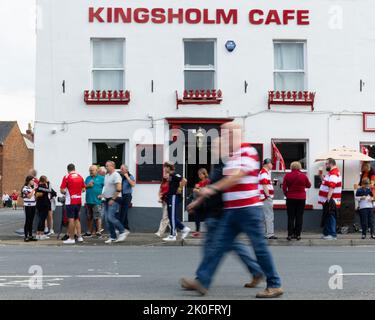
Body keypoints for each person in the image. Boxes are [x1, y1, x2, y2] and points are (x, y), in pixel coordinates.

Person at [181, 122, 283, 298]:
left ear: (238, 134)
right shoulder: (234, 155)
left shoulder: (248, 151)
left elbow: (237, 176)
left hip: (249, 209)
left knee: (259, 248)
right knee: (218, 246)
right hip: (232, 211)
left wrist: (212, 189)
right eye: (224, 134)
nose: (225, 137)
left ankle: (274, 285)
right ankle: (202, 282)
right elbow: (228, 177)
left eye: (228, 134)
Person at [184, 137, 265, 290]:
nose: (213, 149)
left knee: (213, 247)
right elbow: (213, 186)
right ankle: (256, 271)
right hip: (215, 212)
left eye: (216, 147)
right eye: (213, 147)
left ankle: (201, 280)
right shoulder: (219, 165)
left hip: (221, 213)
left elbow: (222, 186)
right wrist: (198, 202)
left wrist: (202, 197)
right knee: (231, 245)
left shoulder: (228, 164)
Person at [99, 161, 128, 244]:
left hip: (114, 200)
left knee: (111, 217)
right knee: (107, 219)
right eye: (105, 166)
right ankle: (113, 237)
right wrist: (102, 195)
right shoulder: (107, 176)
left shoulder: (116, 175)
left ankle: (122, 231)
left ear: (112, 166)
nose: (106, 167)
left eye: (107, 166)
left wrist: (113, 199)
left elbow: (119, 188)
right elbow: (107, 188)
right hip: (107, 199)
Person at [282, 161, 312, 241]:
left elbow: (284, 188)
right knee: (299, 217)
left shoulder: (287, 176)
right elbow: (309, 186)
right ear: (299, 167)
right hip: (301, 198)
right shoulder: (303, 176)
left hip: (290, 198)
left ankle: (290, 235)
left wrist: (287, 194)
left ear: (291, 167)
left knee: (291, 217)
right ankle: (298, 235)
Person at [162, 162, 191, 242]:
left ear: (169, 167)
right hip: (170, 197)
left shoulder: (175, 174)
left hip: (174, 197)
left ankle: (173, 235)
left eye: (165, 167)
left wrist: (180, 188)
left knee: (172, 216)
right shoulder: (171, 176)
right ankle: (184, 228)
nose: (164, 169)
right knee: (171, 217)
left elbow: (184, 180)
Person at [60, 164, 86, 245]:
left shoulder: (67, 177)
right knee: (77, 219)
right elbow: (84, 189)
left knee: (71, 219)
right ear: (74, 169)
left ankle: (71, 238)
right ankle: (79, 237)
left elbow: (62, 190)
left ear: (68, 169)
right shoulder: (80, 176)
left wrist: (66, 192)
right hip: (78, 201)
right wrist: (77, 192)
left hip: (70, 201)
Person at [318, 158, 342, 240]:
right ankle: (327, 233)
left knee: (331, 216)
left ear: (331, 164)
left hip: (331, 199)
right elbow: (326, 183)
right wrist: (321, 176)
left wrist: (328, 197)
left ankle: (332, 234)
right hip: (329, 199)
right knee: (327, 215)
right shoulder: (330, 173)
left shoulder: (334, 173)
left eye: (326, 164)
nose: (325, 165)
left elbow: (332, 185)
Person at [259, 158, 277, 240]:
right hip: (266, 198)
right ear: (267, 164)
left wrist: (271, 183)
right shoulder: (264, 173)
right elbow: (264, 185)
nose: (272, 165)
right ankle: (270, 234)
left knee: (264, 216)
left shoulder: (263, 173)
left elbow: (265, 183)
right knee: (269, 215)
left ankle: (262, 234)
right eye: (271, 163)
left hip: (262, 198)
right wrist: (268, 196)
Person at [84, 165, 105, 238]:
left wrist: (102, 195)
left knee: (97, 217)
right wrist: (88, 186)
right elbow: (83, 188)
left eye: (92, 170)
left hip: (97, 201)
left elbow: (106, 187)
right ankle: (89, 232)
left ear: (97, 171)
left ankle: (98, 232)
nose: (90, 172)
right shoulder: (87, 178)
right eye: (90, 170)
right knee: (89, 217)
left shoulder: (101, 178)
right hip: (88, 200)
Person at [192, 168, 210, 238]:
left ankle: (210, 231)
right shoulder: (199, 183)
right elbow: (196, 191)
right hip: (199, 201)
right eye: (198, 174)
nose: (199, 175)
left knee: (207, 216)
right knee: (197, 215)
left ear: (204, 174)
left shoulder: (207, 181)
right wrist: (196, 189)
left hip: (206, 201)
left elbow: (206, 191)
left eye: (200, 174)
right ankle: (197, 231)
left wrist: (197, 190)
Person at [119, 164, 136, 232]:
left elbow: (133, 184)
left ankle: (120, 228)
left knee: (123, 212)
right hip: (121, 195)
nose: (121, 170)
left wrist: (127, 177)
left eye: (122, 169)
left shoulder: (130, 176)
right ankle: (126, 227)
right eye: (120, 169)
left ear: (126, 170)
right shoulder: (120, 176)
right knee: (124, 212)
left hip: (127, 196)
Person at [35, 176, 52, 240]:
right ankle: (41, 234)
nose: (47, 180)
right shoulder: (41, 186)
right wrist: (48, 183)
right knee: (42, 219)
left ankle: (38, 234)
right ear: (44, 180)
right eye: (46, 179)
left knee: (41, 219)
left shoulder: (39, 186)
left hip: (40, 204)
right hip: (43, 205)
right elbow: (49, 191)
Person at [21, 176, 37, 242]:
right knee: (27, 220)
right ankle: (26, 236)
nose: (33, 181)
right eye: (32, 180)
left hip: (33, 205)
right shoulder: (25, 188)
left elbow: (34, 197)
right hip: (28, 206)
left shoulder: (31, 188)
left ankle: (30, 235)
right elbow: (29, 196)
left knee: (31, 221)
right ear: (28, 181)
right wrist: (34, 189)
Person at [155, 172, 170, 237]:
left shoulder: (170, 183)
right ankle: (174, 230)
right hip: (163, 201)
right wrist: (160, 198)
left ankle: (160, 232)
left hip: (168, 201)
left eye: (167, 174)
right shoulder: (163, 183)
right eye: (164, 174)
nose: (165, 175)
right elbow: (160, 191)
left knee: (165, 217)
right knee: (167, 217)